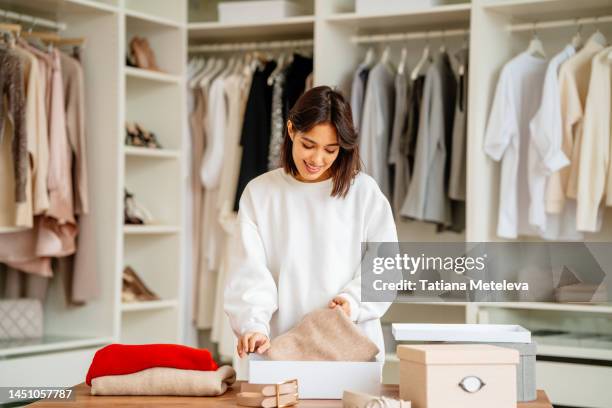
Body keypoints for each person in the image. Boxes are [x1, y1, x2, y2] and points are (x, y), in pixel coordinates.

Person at [224, 85, 397, 362]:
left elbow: (385, 268)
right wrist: (253, 325)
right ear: (291, 130)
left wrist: (352, 303)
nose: (317, 159)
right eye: (308, 145)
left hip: (350, 346)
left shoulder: (364, 193)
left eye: (331, 150)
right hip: (279, 348)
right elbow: (248, 271)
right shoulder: (260, 193)